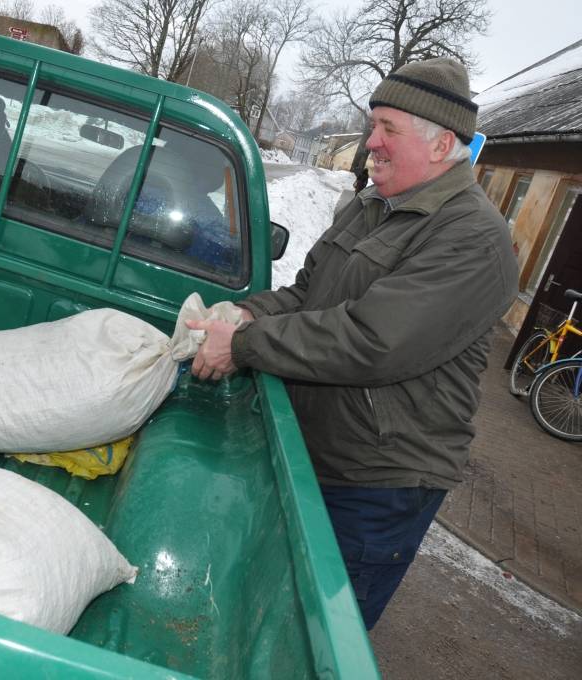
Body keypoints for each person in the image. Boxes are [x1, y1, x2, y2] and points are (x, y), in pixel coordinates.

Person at [186, 57, 518, 629]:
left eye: (389, 129)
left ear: (442, 145)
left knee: (317, 635)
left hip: (378, 482)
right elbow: (309, 293)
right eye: (374, 125)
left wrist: (243, 346)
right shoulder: (372, 207)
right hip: (319, 451)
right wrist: (244, 313)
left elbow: (373, 340)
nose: (371, 143)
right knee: (267, 616)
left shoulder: (474, 239)